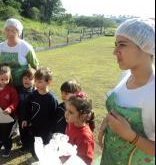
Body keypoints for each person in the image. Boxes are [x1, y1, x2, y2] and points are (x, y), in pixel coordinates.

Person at [98, 18, 155, 165]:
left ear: (146, 46)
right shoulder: (125, 76)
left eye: (122, 45)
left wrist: (130, 136)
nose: (115, 52)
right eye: (115, 45)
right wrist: (108, 120)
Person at [0, 18, 39, 87]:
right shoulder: (0, 47)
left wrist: (36, 84)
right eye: (7, 30)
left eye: (13, 31)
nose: (10, 33)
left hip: (22, 87)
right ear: (4, 31)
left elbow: (35, 66)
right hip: (5, 86)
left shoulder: (26, 47)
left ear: (19, 33)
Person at [21, 67, 58, 154]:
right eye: (36, 81)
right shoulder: (32, 95)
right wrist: (25, 119)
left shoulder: (51, 99)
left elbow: (54, 116)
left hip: (46, 130)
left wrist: (52, 130)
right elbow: (27, 108)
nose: (36, 84)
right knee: (36, 145)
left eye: (40, 82)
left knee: (45, 147)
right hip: (34, 127)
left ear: (48, 82)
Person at [65, 92, 95, 165]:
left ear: (82, 116)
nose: (66, 113)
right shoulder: (71, 123)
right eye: (66, 109)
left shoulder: (84, 137)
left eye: (71, 112)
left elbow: (85, 161)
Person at [16, 68, 36, 152]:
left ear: (35, 81)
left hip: (30, 118)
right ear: (22, 79)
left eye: (30, 79)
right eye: (25, 78)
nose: (27, 81)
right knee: (22, 131)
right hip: (20, 117)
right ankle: (24, 145)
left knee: (30, 133)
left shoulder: (35, 92)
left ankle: (31, 147)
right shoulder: (18, 89)